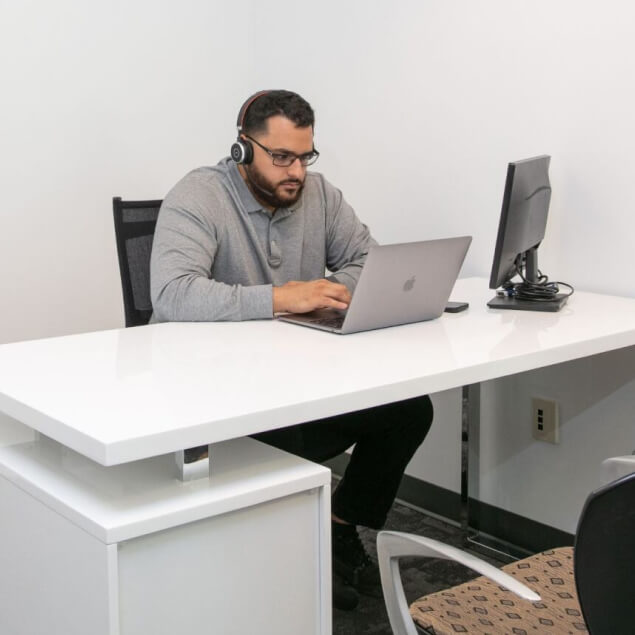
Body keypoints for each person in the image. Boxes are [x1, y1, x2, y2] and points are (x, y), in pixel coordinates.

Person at [150, 90, 433, 610]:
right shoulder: (198, 197)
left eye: (304, 156)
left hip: (295, 384)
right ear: (242, 149)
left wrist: (325, 292)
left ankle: (338, 527)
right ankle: (265, 569)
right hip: (219, 399)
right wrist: (283, 298)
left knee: (408, 410)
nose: (296, 172)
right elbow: (172, 293)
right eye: (281, 157)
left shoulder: (320, 195)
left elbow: (366, 261)